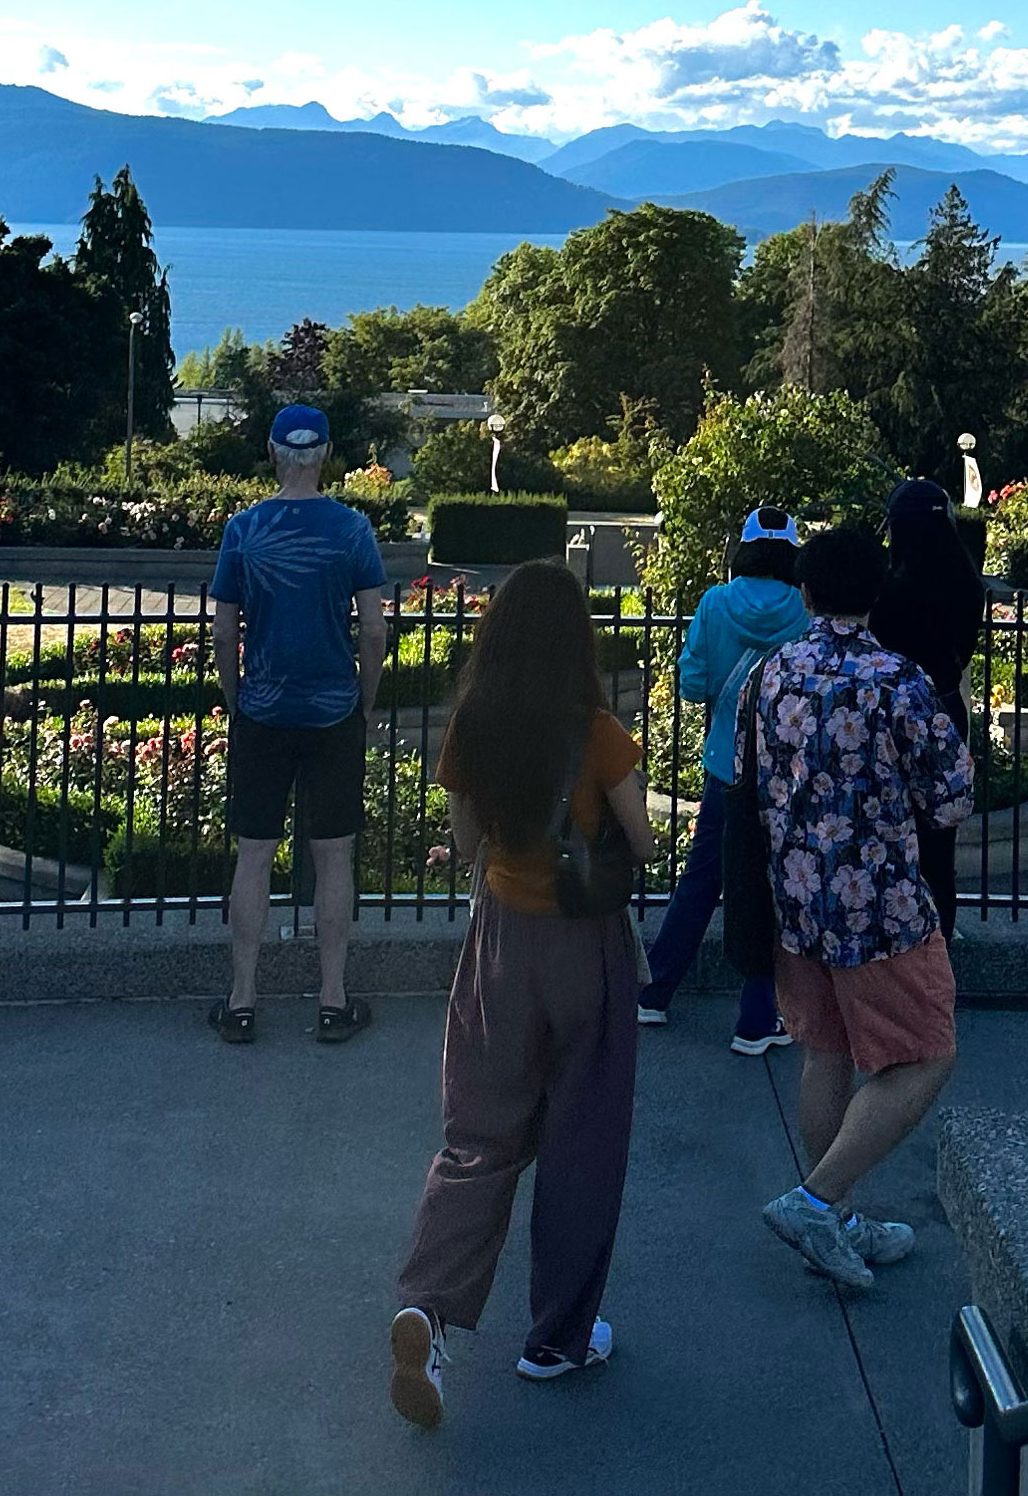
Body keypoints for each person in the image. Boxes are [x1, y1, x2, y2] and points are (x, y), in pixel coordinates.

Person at [389, 559, 656, 1431]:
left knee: (478, 1135)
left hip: (501, 939)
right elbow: (645, 845)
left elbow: (468, 837)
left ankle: (427, 1309)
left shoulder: (474, 723)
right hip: (586, 950)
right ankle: (555, 1340)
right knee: (583, 1140)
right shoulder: (601, 733)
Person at [741, 525, 974, 1290]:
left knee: (827, 1052)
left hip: (798, 902)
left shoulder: (769, 674)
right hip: (882, 909)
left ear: (805, 592)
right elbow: (949, 801)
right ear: (877, 594)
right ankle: (818, 1200)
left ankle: (832, 1217)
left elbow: (747, 777)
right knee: (926, 1055)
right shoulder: (896, 680)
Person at [209, 403, 388, 1046]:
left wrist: (236, 697)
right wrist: (363, 701)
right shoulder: (351, 530)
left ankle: (242, 1000)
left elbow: (225, 629)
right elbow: (372, 629)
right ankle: (333, 1000)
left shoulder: (244, 530)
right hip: (332, 710)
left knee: (254, 855)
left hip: (262, 710)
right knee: (333, 857)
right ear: (327, 455)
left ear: (273, 451)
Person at [637, 506, 807, 1054]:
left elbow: (692, 682)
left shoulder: (715, 603)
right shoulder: (805, 609)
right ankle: (757, 1017)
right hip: (784, 770)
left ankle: (654, 990)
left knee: (701, 879)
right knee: (772, 887)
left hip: (725, 763)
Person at [868, 479, 987, 940]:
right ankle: (939, 936)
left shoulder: (889, 589)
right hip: (945, 706)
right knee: (940, 836)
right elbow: (964, 651)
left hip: (889, 715)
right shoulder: (967, 583)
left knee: (886, 826)